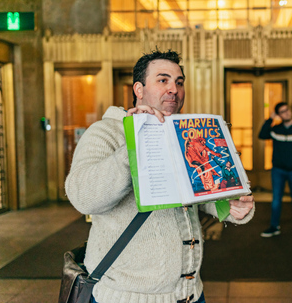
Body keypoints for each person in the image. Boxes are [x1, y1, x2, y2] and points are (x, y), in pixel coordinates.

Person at [65, 49, 255, 303]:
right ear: (139, 90)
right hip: (125, 297)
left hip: (189, 294)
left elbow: (196, 190)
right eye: (163, 80)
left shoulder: (184, 134)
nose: (174, 89)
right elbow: (83, 197)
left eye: (179, 82)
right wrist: (135, 145)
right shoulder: (106, 132)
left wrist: (230, 205)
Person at [259, 102, 292, 238]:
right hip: (278, 170)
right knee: (276, 199)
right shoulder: (276, 129)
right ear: (279, 115)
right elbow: (262, 134)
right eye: (282, 112)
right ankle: (274, 227)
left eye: (287, 110)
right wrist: (270, 119)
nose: (287, 113)